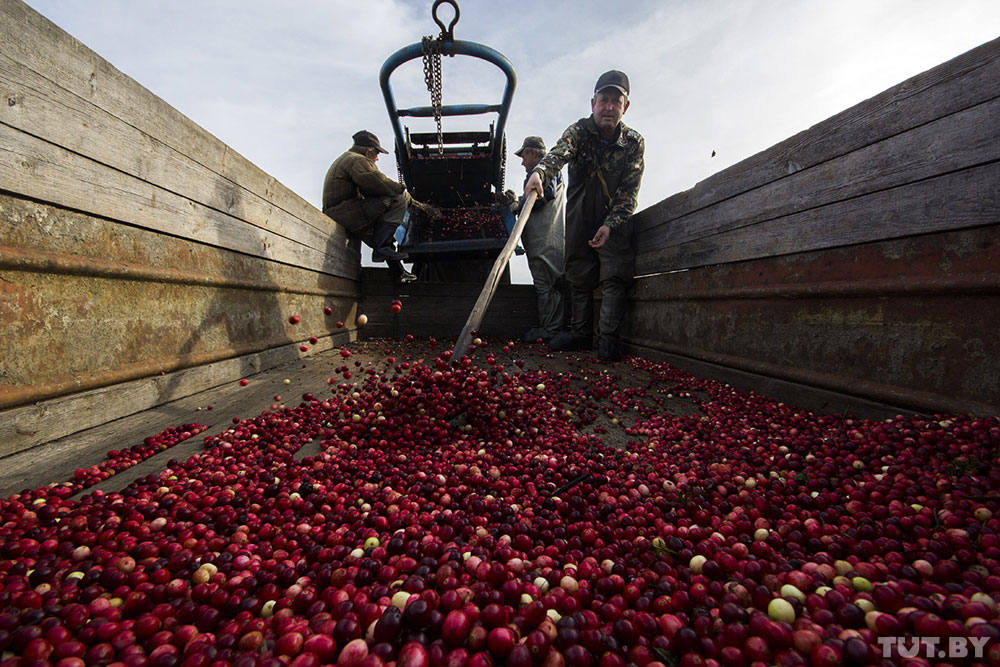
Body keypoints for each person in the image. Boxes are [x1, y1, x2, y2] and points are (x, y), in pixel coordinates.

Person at [524, 70, 644, 362]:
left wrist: (610, 225)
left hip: (613, 219)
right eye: (604, 100)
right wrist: (539, 173)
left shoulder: (633, 143)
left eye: (617, 101)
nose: (609, 107)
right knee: (578, 273)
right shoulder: (578, 131)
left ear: (625, 106)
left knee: (614, 274)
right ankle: (580, 334)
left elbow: (629, 192)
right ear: (593, 103)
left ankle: (608, 341)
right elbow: (559, 154)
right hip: (579, 214)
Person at [322, 130, 438, 283]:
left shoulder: (347, 158)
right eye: (376, 154)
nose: (377, 159)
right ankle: (381, 248)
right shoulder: (358, 160)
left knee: (381, 232)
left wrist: (416, 203)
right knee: (397, 198)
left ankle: (399, 272)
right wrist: (405, 192)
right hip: (345, 213)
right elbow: (380, 184)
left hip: (345, 212)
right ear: (369, 151)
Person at [509, 136, 567, 344]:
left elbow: (543, 196)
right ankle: (550, 326)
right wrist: (519, 202)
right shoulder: (541, 172)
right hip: (541, 241)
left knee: (546, 284)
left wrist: (519, 204)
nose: (522, 161)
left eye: (523, 155)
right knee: (545, 282)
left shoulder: (545, 170)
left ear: (533, 152)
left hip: (545, 241)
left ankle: (550, 328)